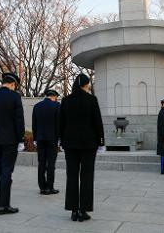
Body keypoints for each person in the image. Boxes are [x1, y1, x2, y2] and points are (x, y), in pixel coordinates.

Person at [60, 73, 104, 222]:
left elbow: (61, 123)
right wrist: (101, 141)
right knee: (86, 177)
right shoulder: (92, 100)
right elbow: (97, 122)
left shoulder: (65, 101)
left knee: (71, 176)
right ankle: (83, 210)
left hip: (70, 144)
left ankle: (73, 210)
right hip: (88, 144)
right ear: (86, 85)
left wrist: (61, 140)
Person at [0, 72, 25, 215]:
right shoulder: (15, 97)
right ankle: (4, 205)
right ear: (13, 84)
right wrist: (21, 139)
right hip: (10, 140)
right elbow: (19, 120)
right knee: (7, 171)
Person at [32, 89, 60, 195]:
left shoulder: (37, 106)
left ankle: (42, 187)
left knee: (41, 163)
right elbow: (58, 124)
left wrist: (35, 138)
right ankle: (50, 187)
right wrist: (59, 138)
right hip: (52, 139)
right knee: (51, 164)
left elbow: (34, 124)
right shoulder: (57, 106)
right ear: (54, 97)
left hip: (40, 139)